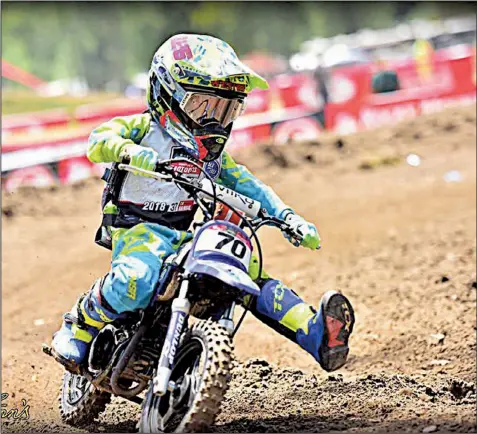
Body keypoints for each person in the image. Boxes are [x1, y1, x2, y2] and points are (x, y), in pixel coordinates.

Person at [51, 34, 355, 374]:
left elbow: (249, 185)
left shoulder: (213, 157)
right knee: (138, 277)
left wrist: (287, 218)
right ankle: (78, 325)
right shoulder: (145, 130)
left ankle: (313, 332)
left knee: (245, 268)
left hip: (184, 232)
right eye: (203, 106)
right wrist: (130, 152)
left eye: (227, 109)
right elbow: (99, 140)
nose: (215, 121)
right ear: (168, 94)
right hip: (139, 227)